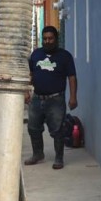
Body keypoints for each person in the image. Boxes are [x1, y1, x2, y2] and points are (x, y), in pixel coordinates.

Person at [25, 25, 78, 170]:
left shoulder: (65, 56)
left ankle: (59, 158)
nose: (48, 41)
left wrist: (73, 97)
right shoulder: (35, 55)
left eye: (51, 38)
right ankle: (38, 154)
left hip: (56, 99)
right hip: (37, 98)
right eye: (45, 39)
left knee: (57, 130)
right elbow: (30, 74)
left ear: (56, 39)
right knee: (33, 128)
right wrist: (26, 91)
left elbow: (72, 77)